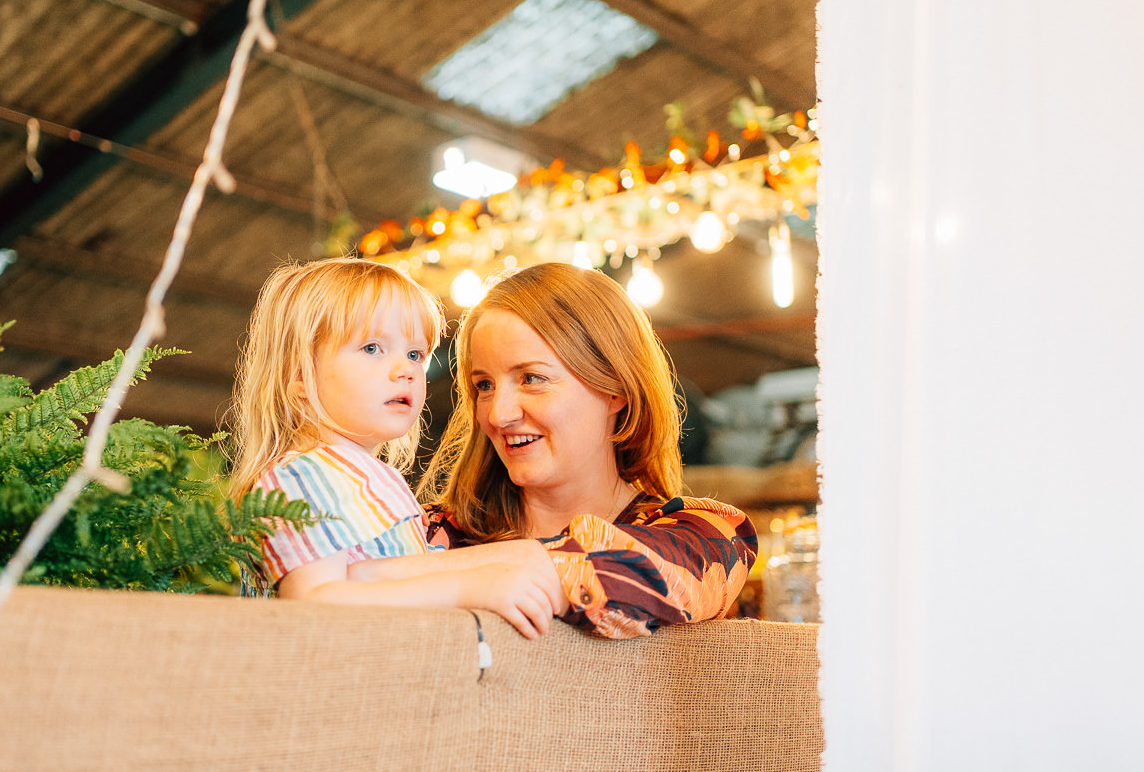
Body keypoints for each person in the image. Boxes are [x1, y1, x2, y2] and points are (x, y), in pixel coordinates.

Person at [350, 262, 758, 639]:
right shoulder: (431, 532)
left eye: (531, 378)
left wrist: (372, 578)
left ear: (615, 388)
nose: (499, 414)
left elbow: (559, 570)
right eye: (484, 386)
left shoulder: (708, 538)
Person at [228, 258, 566, 638]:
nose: (406, 371)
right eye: (372, 348)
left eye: (415, 354)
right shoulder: (303, 476)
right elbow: (313, 605)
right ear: (300, 375)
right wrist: (468, 588)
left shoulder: (357, 475)